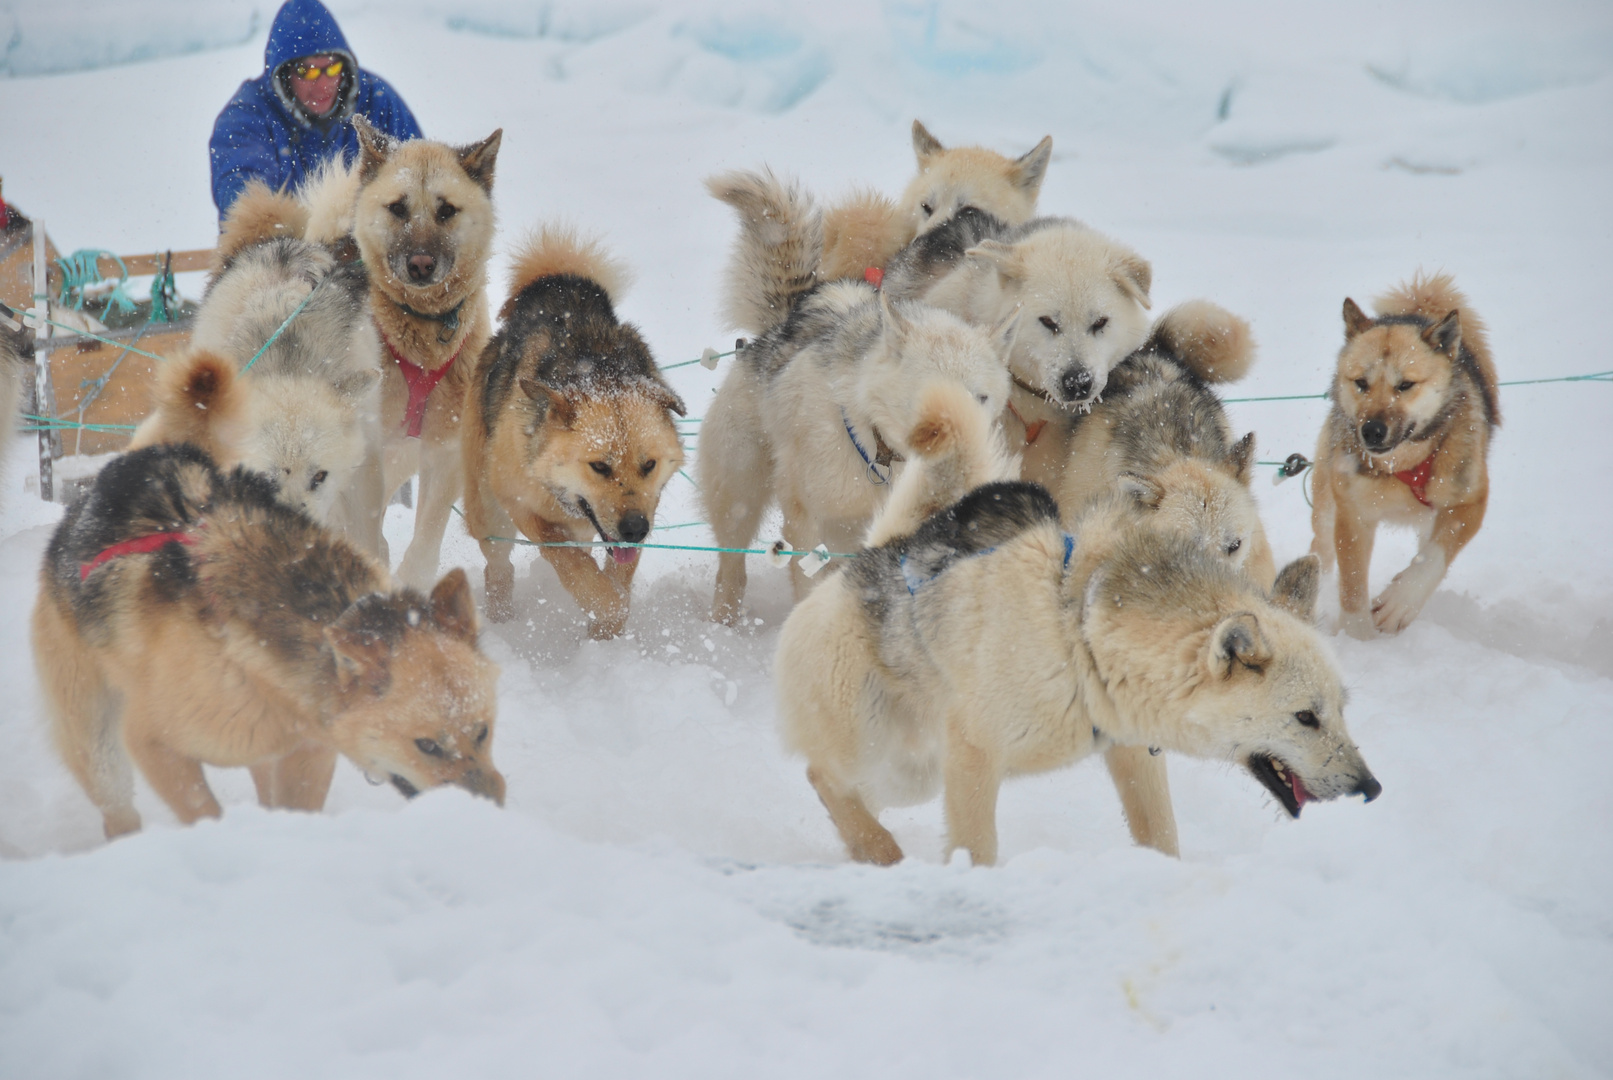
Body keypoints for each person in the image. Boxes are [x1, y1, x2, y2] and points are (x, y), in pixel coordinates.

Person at [209, 0, 422, 222]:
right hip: (287, 252)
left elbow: (421, 178)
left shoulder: (377, 102)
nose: (323, 85)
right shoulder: (247, 117)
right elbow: (243, 199)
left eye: (332, 68)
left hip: (366, 249)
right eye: (306, 71)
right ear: (284, 73)